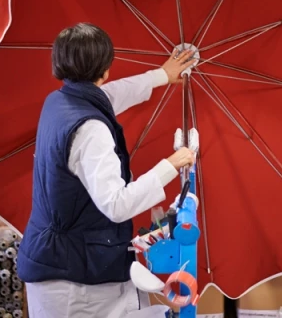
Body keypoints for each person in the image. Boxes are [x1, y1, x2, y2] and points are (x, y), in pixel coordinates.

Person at [17, 23, 197, 318]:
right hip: (75, 280)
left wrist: (161, 76)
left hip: (56, 261)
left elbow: (108, 97)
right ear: (106, 69)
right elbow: (116, 205)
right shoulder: (91, 130)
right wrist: (171, 165)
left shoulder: (59, 102)